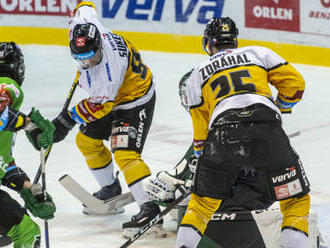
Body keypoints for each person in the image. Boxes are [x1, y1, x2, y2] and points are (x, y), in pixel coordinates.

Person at [172, 17, 310, 248]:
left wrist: (201, 159)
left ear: (209, 43)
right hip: (267, 129)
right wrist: (282, 106)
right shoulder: (258, 53)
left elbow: (200, 128)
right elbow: (296, 85)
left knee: (201, 206)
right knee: (294, 201)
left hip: (222, 134)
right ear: (235, 40)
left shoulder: (197, 73)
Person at [47, 1, 165, 239]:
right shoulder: (86, 22)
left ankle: (150, 210)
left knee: (125, 154)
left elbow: (98, 106)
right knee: (86, 141)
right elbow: (86, 5)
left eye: (92, 57)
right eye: (81, 58)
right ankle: (111, 188)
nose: (87, 63)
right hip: (113, 97)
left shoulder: (107, 74)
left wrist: (65, 121)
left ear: (100, 46)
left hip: (134, 100)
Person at [0, 42, 56, 248]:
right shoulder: (8, 85)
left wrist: (28, 189)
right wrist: (30, 125)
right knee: (27, 234)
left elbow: (2, 164)